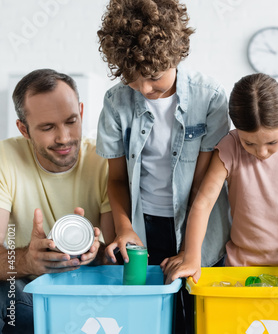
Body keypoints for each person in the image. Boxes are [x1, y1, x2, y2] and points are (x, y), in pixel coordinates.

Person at [96, 0, 231, 332]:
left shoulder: (210, 97)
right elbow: (115, 180)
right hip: (144, 226)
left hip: (198, 226)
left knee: (195, 317)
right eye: (131, 78)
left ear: (176, 56)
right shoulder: (116, 102)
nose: (143, 89)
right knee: (148, 319)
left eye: (153, 77)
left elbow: (203, 187)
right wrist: (125, 228)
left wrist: (190, 248)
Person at [165, 73, 278, 285]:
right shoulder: (230, 146)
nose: (262, 152)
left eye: (271, 142)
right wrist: (193, 257)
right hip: (240, 268)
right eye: (249, 144)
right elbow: (203, 203)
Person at [0, 69, 113, 333]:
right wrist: (27, 261)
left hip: (91, 292)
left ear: (82, 113)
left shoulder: (105, 162)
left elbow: (117, 259)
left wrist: (96, 253)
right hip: (27, 291)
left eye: (71, 121)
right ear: (23, 129)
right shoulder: (5, 158)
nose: (64, 137)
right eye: (48, 127)